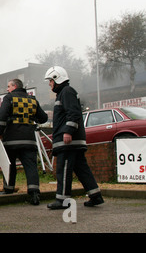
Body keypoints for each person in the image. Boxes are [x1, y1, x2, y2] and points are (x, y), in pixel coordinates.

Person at [44, 66, 104, 209]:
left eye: (50, 81)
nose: (49, 84)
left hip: (68, 142)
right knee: (82, 170)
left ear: (57, 78)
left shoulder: (66, 92)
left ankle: (62, 200)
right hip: (74, 141)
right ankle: (95, 196)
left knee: (63, 169)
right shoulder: (65, 92)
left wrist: (68, 131)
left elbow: (74, 113)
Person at [0, 79, 48, 205]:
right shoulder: (32, 100)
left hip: (11, 139)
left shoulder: (9, 98)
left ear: (14, 86)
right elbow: (44, 118)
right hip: (29, 140)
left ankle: (8, 190)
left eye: (8, 86)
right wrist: (32, 118)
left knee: (10, 165)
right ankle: (34, 194)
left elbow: (2, 116)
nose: (7, 89)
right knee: (31, 167)